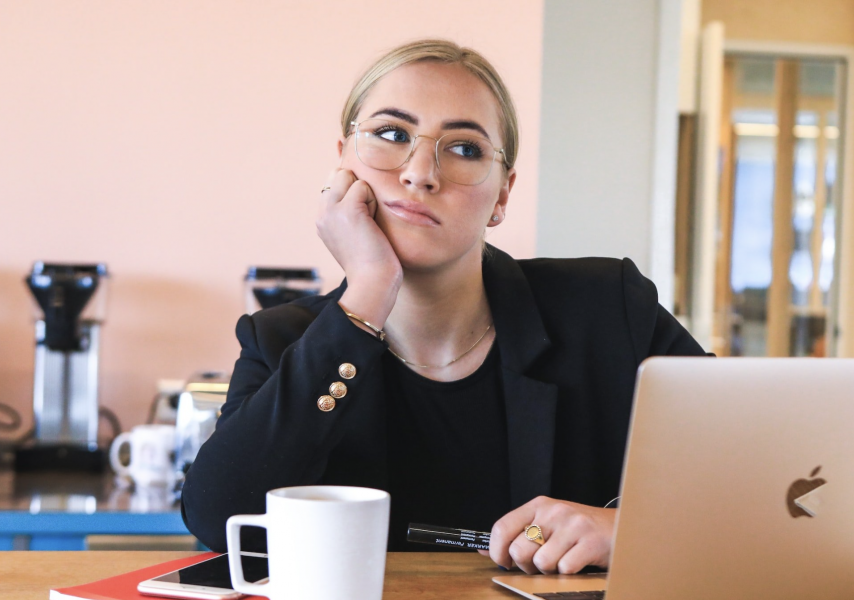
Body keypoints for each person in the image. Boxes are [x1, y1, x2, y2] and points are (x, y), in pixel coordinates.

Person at [181, 38, 707, 576]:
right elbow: (219, 518)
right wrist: (366, 293)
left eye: (464, 148)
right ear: (341, 161)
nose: (419, 172)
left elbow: (767, 478)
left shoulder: (608, 308)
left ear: (502, 195)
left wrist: (631, 530)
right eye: (391, 135)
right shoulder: (280, 339)